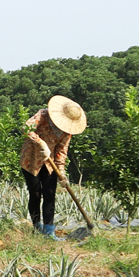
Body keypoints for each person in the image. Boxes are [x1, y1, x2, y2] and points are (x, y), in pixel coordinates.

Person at [20, 95, 87, 240]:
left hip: (50, 165)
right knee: (35, 193)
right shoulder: (43, 115)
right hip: (31, 159)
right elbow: (26, 128)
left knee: (50, 194)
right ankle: (37, 227)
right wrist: (40, 143)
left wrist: (61, 172)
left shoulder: (67, 131)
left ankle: (49, 231)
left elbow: (62, 152)